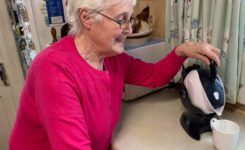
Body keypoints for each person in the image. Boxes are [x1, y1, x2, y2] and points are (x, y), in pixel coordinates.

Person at [9, 0, 220, 149]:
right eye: (122, 19)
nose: (129, 29)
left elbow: (154, 76)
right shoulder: (53, 70)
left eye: (129, 19)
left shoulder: (112, 57)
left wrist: (181, 51)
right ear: (87, 18)